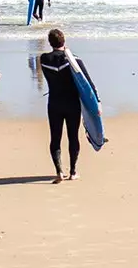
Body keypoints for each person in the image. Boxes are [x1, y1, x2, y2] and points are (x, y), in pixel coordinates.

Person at [39, 28, 97, 183]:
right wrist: (97, 102)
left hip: (54, 103)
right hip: (72, 104)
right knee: (73, 137)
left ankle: (59, 172)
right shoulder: (74, 61)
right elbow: (88, 83)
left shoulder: (44, 59)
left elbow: (53, 62)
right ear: (64, 41)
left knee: (55, 138)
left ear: (50, 43)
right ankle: (73, 171)